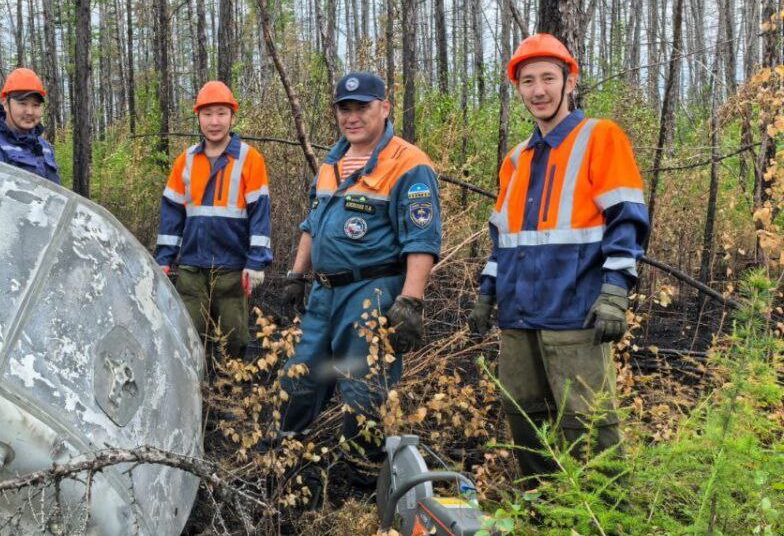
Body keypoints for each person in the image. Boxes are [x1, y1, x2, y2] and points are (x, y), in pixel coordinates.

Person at [467, 33, 649, 479]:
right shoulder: (516, 158)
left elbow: (627, 219)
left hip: (576, 311)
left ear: (571, 81)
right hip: (518, 315)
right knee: (524, 419)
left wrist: (615, 293)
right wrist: (486, 294)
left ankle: (609, 527)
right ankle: (541, 516)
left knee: (588, 423)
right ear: (517, 89)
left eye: (549, 78)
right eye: (528, 81)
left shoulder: (599, 137)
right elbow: (503, 239)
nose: (539, 90)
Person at [277, 72, 441, 485]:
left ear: (384, 108)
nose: (352, 117)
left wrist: (411, 301)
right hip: (324, 294)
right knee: (299, 376)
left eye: (362, 107)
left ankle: (361, 479)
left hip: (370, 294)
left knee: (362, 388)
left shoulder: (409, 164)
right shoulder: (332, 161)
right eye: (344, 108)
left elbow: (421, 239)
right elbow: (312, 223)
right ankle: (284, 461)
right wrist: (297, 274)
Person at [155, 81, 272, 360]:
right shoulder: (185, 161)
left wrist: (256, 262)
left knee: (233, 339)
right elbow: (172, 215)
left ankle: (230, 393)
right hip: (192, 268)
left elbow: (260, 214)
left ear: (232, 117)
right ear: (198, 117)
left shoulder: (249, 159)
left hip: (232, 268)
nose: (214, 121)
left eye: (221, 113)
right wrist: (163, 259)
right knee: (188, 336)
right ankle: (198, 391)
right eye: (207, 114)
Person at [0, 68, 60, 184]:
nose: (30, 112)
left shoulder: (45, 147)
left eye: (36, 105)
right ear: (6, 104)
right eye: (23, 103)